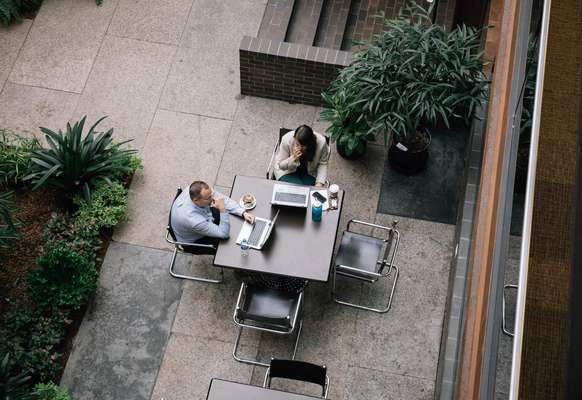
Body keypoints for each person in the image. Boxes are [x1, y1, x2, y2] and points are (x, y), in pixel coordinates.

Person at [171, 181, 255, 248]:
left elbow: (222, 199)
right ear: (196, 200)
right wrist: (222, 210)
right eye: (208, 198)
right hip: (195, 240)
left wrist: (243, 212)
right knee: (228, 246)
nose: (213, 198)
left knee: (233, 220)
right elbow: (224, 234)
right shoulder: (193, 220)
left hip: (204, 216)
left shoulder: (196, 190)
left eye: (211, 194)